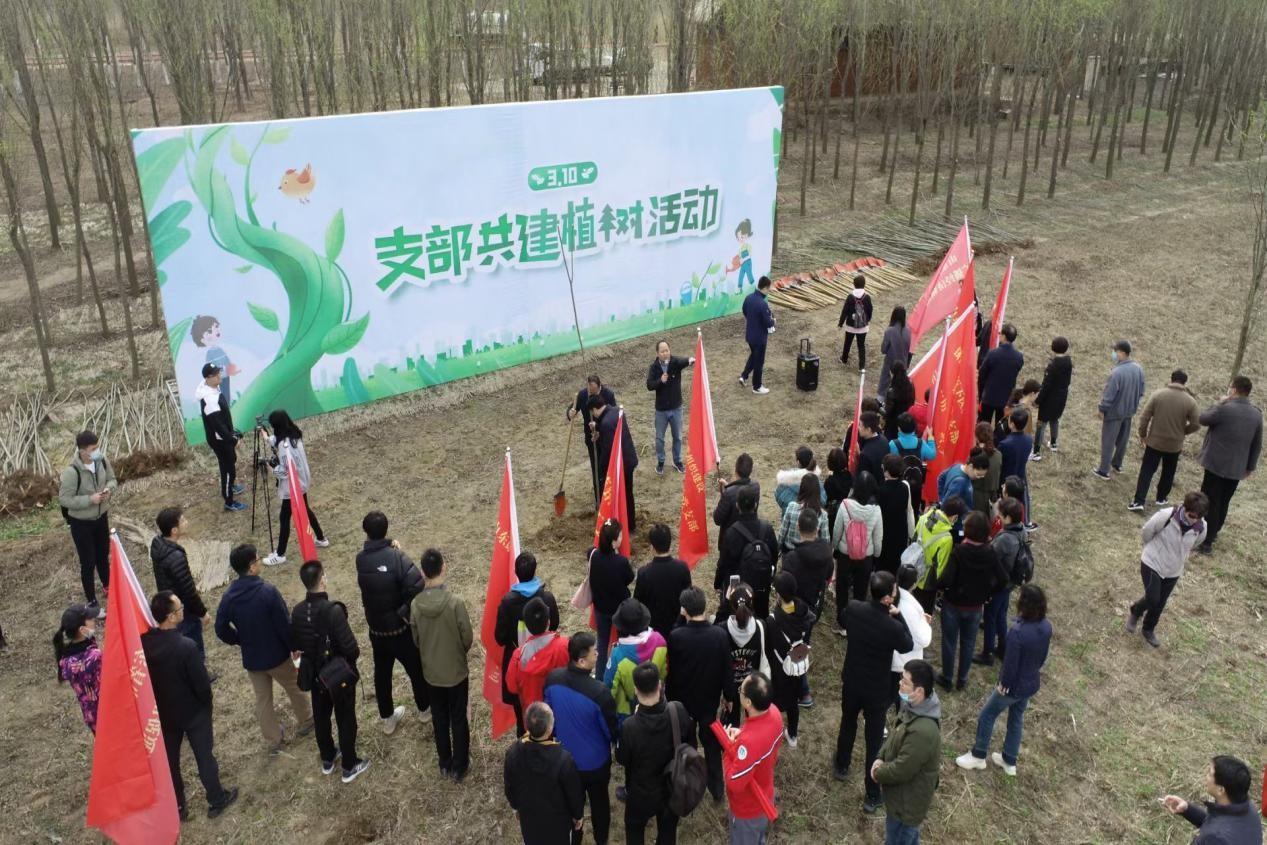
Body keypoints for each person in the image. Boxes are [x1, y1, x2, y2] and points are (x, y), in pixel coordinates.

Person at [143, 591, 239, 821]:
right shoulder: (186, 646)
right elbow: (202, 685)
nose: (183, 610)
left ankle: (178, 806)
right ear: (170, 617)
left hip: (165, 714)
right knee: (204, 757)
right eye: (179, 608)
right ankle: (216, 799)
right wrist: (206, 705)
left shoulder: (144, 645)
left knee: (171, 762)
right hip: (194, 713)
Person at [214, 544, 313, 752]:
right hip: (277, 655)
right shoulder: (267, 592)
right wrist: (294, 646)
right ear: (251, 566)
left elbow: (220, 628)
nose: (260, 562)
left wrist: (239, 639)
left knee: (263, 700)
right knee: (294, 687)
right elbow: (284, 625)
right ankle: (306, 721)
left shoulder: (229, 597)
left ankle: (273, 738)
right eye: (258, 559)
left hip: (253, 659)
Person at [833, 571, 914, 814]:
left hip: (852, 681)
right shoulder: (892, 627)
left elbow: (842, 619)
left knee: (848, 722)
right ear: (888, 598)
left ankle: (842, 765)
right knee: (874, 742)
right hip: (876, 690)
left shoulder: (855, 609)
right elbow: (908, 644)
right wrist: (899, 617)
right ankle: (872, 794)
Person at [956, 584, 1052, 777]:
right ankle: (1009, 760)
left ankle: (978, 755)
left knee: (987, 715)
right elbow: (1042, 657)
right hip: (1031, 682)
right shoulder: (1046, 626)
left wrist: (1003, 685)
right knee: (1016, 718)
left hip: (1013, 686)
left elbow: (1010, 664)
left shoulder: (1018, 632)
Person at [290, 561, 369, 782]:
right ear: (322, 579)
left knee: (321, 716)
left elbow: (296, 643)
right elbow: (351, 648)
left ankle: (328, 757)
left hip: (315, 675)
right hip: (336, 675)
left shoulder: (297, 611)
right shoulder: (333, 611)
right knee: (345, 718)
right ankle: (350, 764)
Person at [355, 511, 429, 734]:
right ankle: (425, 709)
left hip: (376, 630)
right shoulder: (397, 557)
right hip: (399, 629)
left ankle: (387, 718)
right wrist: (404, 610)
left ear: (366, 532)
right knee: (415, 670)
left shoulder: (361, 559)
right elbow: (418, 583)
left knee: (382, 675)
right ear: (386, 530)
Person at [544, 632, 619, 845]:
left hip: (565, 761)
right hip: (596, 764)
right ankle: (601, 839)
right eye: (594, 652)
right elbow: (611, 731)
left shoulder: (553, 679)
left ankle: (573, 839)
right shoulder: (600, 692)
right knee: (599, 804)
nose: (598, 654)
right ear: (581, 661)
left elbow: (549, 716)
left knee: (571, 806)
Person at [411, 548, 474, 781]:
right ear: (443, 568)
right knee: (458, 717)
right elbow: (467, 637)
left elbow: (416, 639)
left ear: (422, 572)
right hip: (455, 672)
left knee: (439, 718)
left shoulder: (415, 605)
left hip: (431, 674)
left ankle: (444, 762)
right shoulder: (455, 603)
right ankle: (460, 765)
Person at [617, 662, 695, 845]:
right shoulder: (678, 710)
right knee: (668, 834)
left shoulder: (629, 726)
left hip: (641, 793)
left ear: (636, 690)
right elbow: (691, 745)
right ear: (659, 685)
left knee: (634, 831)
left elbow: (622, 758)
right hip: (671, 788)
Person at [665, 587, 731, 803]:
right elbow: (727, 669)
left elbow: (672, 672)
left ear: (684, 610)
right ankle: (717, 789)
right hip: (709, 701)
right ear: (704, 606)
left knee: (687, 745)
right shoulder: (719, 635)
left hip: (684, 701)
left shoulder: (677, 636)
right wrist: (729, 695)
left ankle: (690, 785)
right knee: (712, 747)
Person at [931, 512, 1008, 691]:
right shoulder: (990, 552)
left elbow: (945, 580)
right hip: (975, 607)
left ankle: (947, 678)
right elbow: (1003, 579)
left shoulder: (959, 552)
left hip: (953, 604)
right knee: (968, 643)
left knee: (949, 642)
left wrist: (941, 587)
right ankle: (962, 680)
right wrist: (988, 593)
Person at [1126, 491, 1209, 648]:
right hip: (1152, 562)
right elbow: (1147, 531)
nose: (1195, 520)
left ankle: (1148, 629)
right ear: (1185, 508)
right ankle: (1136, 611)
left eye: (1199, 517)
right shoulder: (1166, 516)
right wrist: (1152, 549)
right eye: (1192, 515)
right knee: (1153, 598)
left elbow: (1196, 543)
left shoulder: (1202, 527)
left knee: (1160, 602)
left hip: (1174, 570)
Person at [873, 659, 942, 844]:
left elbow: (902, 769)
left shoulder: (923, 731)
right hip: (902, 799)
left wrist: (877, 773)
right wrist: (880, 756)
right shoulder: (914, 706)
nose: (899, 683)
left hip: (905, 808)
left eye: (904, 681)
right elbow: (896, 733)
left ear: (919, 691)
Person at [495, 551, 561, 733]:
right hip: (546, 657)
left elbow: (500, 637)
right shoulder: (547, 598)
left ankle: (524, 736)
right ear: (535, 570)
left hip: (519, 663)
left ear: (516, 572)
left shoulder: (507, 602)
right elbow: (555, 624)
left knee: (522, 714)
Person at [1196, 375, 1262, 555]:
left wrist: (1220, 402)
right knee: (1224, 501)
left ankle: (1207, 541)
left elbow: (1202, 418)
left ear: (1234, 390)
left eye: (1230, 387)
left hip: (1215, 464)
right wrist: (1250, 467)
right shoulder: (1256, 414)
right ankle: (1215, 531)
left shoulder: (1224, 409)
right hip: (1237, 467)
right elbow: (1257, 444)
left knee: (1210, 500)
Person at [505, 701, 586, 845]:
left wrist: (516, 806)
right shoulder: (563, 760)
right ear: (549, 729)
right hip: (558, 826)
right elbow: (574, 793)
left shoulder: (513, 753)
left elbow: (509, 786)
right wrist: (578, 815)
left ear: (526, 725)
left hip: (530, 822)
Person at [59, 430, 116, 617]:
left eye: (97, 447)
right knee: (88, 562)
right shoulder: (71, 472)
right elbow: (64, 499)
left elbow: (112, 479)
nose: (97, 451)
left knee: (103, 556)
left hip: (101, 517)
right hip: (81, 524)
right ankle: (92, 601)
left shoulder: (101, 461)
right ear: (83, 451)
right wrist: (89, 500)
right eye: (93, 449)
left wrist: (108, 489)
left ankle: (108, 586)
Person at [722, 673, 783, 844]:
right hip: (765, 794)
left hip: (747, 811)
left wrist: (729, 748)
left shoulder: (749, 744)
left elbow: (734, 782)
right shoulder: (774, 712)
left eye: (741, 690)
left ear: (748, 702)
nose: (739, 691)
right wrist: (742, 733)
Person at [263, 409, 329, 566]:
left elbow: (286, 470)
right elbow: (279, 440)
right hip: (302, 482)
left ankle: (280, 554)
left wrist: (271, 468)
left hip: (293, 487)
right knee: (305, 510)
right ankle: (321, 538)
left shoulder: (284, 446)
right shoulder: (294, 435)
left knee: (284, 518)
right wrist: (266, 438)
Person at [1130, 370, 1201, 512]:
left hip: (1155, 442)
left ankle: (1139, 501)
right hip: (1174, 445)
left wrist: (1143, 434)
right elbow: (1196, 424)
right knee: (1169, 471)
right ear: (1185, 383)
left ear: (1171, 379)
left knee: (1147, 471)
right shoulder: (1190, 401)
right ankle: (1161, 498)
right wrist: (1183, 432)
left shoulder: (1158, 395)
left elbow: (1145, 417)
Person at [151, 507, 210, 663]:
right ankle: (198, 671)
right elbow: (188, 590)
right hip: (183, 609)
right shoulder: (175, 557)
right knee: (194, 646)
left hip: (170, 603)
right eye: (182, 520)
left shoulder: (157, 544)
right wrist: (202, 613)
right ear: (174, 530)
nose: (186, 522)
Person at [764, 572, 815, 748]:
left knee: (774, 705)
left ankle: (771, 736)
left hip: (779, 668)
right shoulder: (805, 612)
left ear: (778, 593)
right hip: (797, 664)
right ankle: (792, 735)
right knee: (793, 704)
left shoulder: (772, 621)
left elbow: (769, 649)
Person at [1161, 756, 1262, 844]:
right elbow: (1217, 823)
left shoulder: (1215, 839)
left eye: (1210, 773)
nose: (1206, 776)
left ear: (1220, 789)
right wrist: (1187, 809)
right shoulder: (1248, 809)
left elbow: (1217, 830)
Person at [716, 487, 779, 621]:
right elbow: (774, 556)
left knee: (737, 619)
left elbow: (724, 564)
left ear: (737, 505)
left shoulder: (731, 532)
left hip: (739, 589)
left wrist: (718, 582)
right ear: (755, 505)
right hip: (761, 585)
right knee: (761, 618)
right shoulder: (767, 528)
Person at [977, 498, 1027, 666]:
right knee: (1000, 614)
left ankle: (987, 653)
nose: (998, 514)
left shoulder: (1005, 539)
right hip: (1010, 582)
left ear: (1008, 518)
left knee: (990, 616)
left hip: (999, 583)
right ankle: (1003, 647)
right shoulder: (1021, 530)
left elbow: (990, 557)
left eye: (1001, 513)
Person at [605, 599, 668, 724]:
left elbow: (609, 687)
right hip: (656, 702)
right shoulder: (660, 641)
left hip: (627, 713)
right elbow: (664, 672)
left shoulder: (617, 655)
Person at [195, 363, 247, 511]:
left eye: (219, 372)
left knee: (230, 461)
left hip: (223, 436)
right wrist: (233, 440)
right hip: (220, 440)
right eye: (216, 374)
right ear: (208, 378)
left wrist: (232, 433)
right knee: (228, 468)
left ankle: (229, 486)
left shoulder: (211, 387)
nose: (220, 375)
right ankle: (229, 501)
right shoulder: (209, 399)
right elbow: (218, 426)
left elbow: (222, 421)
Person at [506, 597, 571, 714]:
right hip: (563, 710)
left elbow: (512, 687)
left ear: (527, 626)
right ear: (549, 622)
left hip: (535, 717)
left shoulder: (519, 656)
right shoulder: (565, 646)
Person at [1094, 339, 1146, 480]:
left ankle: (1104, 470)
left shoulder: (1117, 372)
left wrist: (1102, 409)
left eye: (1115, 351)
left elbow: (1109, 394)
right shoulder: (1138, 369)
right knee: (1122, 441)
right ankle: (1117, 464)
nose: (1114, 354)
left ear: (1122, 353)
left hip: (1114, 413)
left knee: (1108, 442)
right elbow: (1142, 391)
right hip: (1129, 412)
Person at [718, 584, 770, 727]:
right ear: (751, 605)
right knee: (753, 716)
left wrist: (724, 604)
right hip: (752, 682)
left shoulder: (722, 629)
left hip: (730, 684)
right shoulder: (761, 626)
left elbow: (713, 631)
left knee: (731, 718)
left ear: (731, 606)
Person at [589, 518, 635, 677]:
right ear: (614, 542)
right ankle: (621, 675)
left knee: (602, 643)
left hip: (600, 608)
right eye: (620, 536)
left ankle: (600, 677)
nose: (622, 538)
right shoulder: (621, 562)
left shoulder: (594, 556)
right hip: (619, 609)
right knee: (623, 643)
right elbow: (629, 578)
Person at [633, 524, 692, 639]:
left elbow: (638, 603)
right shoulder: (682, 568)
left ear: (652, 547)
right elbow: (688, 598)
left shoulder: (644, 573)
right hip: (678, 626)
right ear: (670, 543)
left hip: (653, 631)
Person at [646, 340, 696, 474]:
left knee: (678, 437)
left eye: (667, 350)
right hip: (661, 410)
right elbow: (649, 385)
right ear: (657, 353)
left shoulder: (675, 362)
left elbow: (683, 361)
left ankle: (677, 461)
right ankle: (661, 461)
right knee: (659, 438)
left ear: (670, 350)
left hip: (676, 408)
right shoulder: (654, 367)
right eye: (662, 351)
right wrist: (660, 381)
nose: (665, 353)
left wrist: (691, 360)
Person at [590, 394, 639, 529]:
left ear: (594, 409)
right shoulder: (616, 410)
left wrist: (601, 472)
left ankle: (627, 524)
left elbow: (608, 450)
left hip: (622, 464)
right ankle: (630, 523)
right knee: (628, 493)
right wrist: (598, 429)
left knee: (624, 494)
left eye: (593, 413)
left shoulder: (605, 424)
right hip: (629, 457)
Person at [834, 471, 884, 602]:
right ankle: (858, 610)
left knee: (842, 585)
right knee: (861, 589)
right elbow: (878, 538)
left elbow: (837, 530)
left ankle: (842, 610)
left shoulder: (845, 505)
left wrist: (835, 547)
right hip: (866, 555)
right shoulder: (876, 510)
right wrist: (876, 556)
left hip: (845, 553)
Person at [910, 497, 967, 612]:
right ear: (955, 517)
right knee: (924, 613)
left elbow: (914, 539)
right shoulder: (947, 538)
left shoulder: (924, 517)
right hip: (927, 582)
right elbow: (940, 568)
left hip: (914, 569)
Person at [570, 375, 617, 507]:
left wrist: (599, 427)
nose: (592, 393)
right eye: (590, 391)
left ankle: (610, 495)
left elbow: (613, 415)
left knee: (606, 466)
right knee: (595, 468)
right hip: (591, 439)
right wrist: (570, 413)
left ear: (599, 386)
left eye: (595, 391)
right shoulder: (583, 394)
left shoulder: (608, 394)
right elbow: (572, 408)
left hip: (606, 437)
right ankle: (599, 499)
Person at [54, 603, 102, 732]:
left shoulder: (65, 660)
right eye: (90, 619)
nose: (94, 620)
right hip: (107, 713)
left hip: (91, 716)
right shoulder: (94, 657)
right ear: (82, 629)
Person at [891, 565, 933, 712]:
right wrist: (925, 624)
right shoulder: (911, 607)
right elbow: (923, 640)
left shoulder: (891, 596)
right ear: (915, 584)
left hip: (890, 656)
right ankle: (900, 717)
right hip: (903, 660)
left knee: (890, 690)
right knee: (901, 693)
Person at [780, 509, 834, 619]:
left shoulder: (791, 558)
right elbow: (828, 576)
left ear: (797, 527)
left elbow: (785, 585)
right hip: (815, 606)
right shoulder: (827, 553)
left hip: (794, 608)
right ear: (817, 529)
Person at [1032, 336, 1072, 459]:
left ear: (1053, 347)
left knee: (1041, 423)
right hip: (1062, 397)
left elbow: (1046, 386)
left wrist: (1037, 401)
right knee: (1055, 419)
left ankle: (1036, 451)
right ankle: (1054, 443)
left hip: (1049, 400)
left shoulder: (1053, 366)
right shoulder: (1068, 362)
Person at [876, 454, 916, 576]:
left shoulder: (880, 490)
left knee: (883, 565)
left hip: (885, 533)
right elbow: (909, 510)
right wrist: (911, 533)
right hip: (901, 532)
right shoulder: (905, 486)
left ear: (886, 471)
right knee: (897, 563)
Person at [998, 407, 1037, 530]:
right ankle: (1024, 523)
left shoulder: (1005, 444)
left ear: (1012, 424)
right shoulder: (1029, 439)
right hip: (1020, 476)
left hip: (1006, 479)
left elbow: (1000, 463)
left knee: (1005, 507)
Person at [978, 324, 1024, 427]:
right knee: (1001, 426)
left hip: (989, 396)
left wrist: (981, 393)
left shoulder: (992, 353)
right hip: (1006, 399)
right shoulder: (1019, 357)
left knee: (984, 425)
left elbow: (982, 374)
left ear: (1003, 336)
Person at [888, 413, 936, 510]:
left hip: (899, 485)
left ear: (899, 428)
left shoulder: (893, 444)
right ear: (914, 428)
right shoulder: (921, 443)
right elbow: (932, 455)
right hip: (916, 485)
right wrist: (931, 438)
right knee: (914, 510)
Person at [714, 453, 760, 548]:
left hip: (731, 540)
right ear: (750, 470)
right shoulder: (756, 487)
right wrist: (728, 486)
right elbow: (740, 489)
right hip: (750, 536)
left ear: (735, 471)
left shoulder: (728, 494)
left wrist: (725, 492)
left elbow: (717, 519)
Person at [740, 275, 776, 394]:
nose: (768, 291)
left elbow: (744, 311)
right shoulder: (762, 304)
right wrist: (773, 321)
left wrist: (752, 320)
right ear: (765, 288)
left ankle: (744, 376)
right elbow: (768, 322)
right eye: (768, 289)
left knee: (754, 356)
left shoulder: (748, 298)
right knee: (759, 361)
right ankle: (757, 386)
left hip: (750, 336)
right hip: (759, 338)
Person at [777, 473, 828, 553]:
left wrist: (778, 547)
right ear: (818, 491)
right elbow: (825, 539)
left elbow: (783, 531)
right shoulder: (822, 514)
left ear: (801, 488)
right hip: (811, 553)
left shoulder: (792, 507)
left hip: (790, 550)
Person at [877, 306, 912, 403]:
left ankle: (881, 404)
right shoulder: (908, 332)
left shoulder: (889, 331)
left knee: (884, 388)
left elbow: (883, 350)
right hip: (903, 365)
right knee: (899, 387)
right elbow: (909, 350)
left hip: (890, 365)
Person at [774, 445, 823, 514]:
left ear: (798, 462)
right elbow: (823, 501)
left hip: (790, 517)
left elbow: (779, 498)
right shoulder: (818, 483)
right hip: (813, 517)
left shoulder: (785, 481)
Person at [839, 274, 874, 371]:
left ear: (854, 284)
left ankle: (844, 359)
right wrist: (867, 320)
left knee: (847, 343)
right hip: (863, 327)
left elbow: (845, 311)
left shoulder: (850, 297)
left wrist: (840, 323)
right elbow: (870, 310)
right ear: (864, 284)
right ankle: (861, 366)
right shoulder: (867, 297)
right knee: (861, 346)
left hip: (850, 326)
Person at [970, 425, 1002, 519]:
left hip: (976, 497)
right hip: (993, 496)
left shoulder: (976, 455)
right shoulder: (998, 455)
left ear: (977, 438)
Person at [883, 362, 916, 441]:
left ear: (893, 374)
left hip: (892, 424)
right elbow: (912, 401)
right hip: (905, 420)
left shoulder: (892, 391)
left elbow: (888, 411)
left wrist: (879, 407)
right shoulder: (910, 385)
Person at [822, 447, 853, 526]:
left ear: (830, 463)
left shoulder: (829, 482)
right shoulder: (850, 476)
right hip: (848, 513)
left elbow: (826, 499)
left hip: (834, 515)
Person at [856, 411, 890, 483]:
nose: (858, 428)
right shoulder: (884, 439)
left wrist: (860, 456)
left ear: (868, 429)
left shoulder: (865, 454)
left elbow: (862, 478)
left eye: (860, 425)